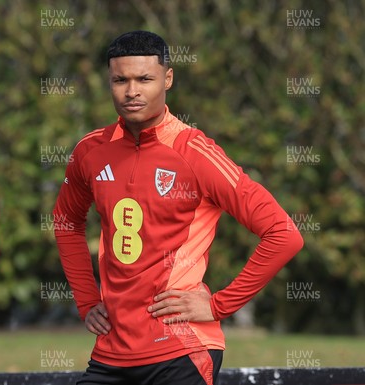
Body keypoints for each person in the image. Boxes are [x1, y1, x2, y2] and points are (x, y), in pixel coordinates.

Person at [53, 31, 304, 385]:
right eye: (120, 80)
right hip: (112, 350)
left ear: (168, 78)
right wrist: (85, 299)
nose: (132, 91)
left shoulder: (195, 153)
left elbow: (283, 234)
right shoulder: (90, 151)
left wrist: (219, 306)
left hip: (180, 349)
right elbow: (65, 221)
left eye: (144, 79)